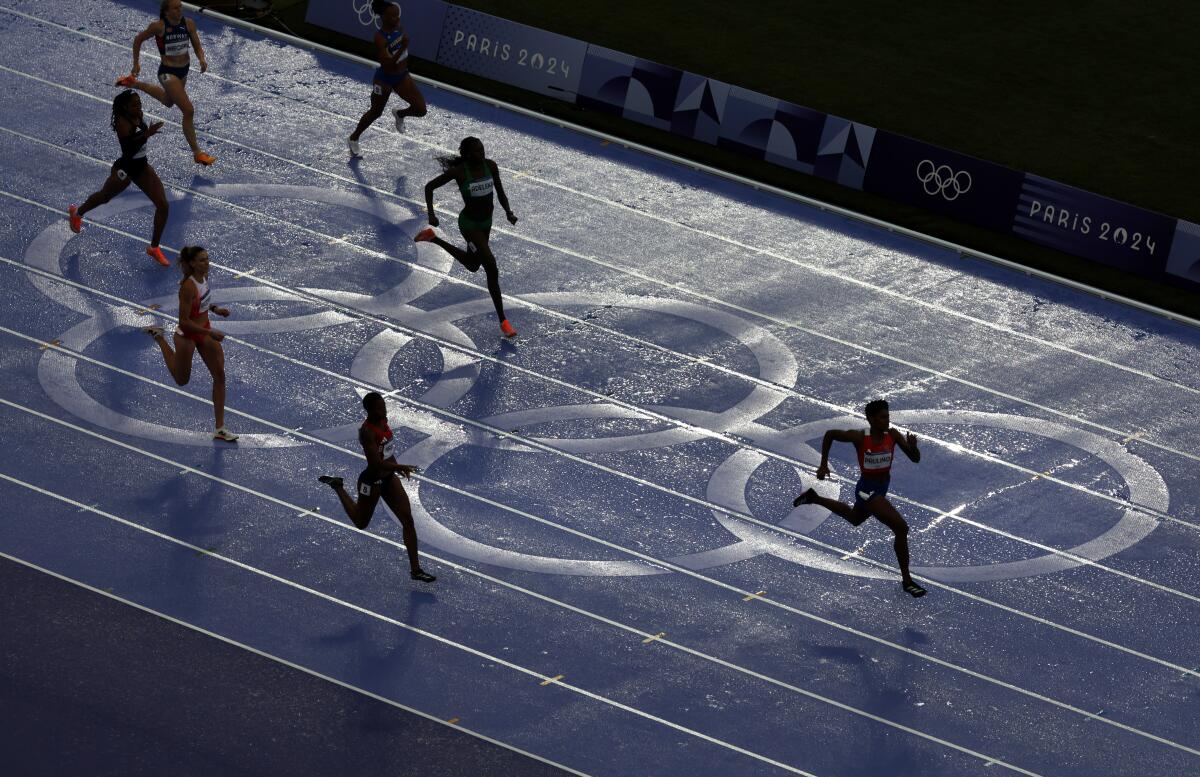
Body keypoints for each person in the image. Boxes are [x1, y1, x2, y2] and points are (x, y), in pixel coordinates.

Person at [793, 400, 926, 597]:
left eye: (888, 416)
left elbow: (915, 459)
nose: (887, 421)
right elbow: (830, 435)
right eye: (882, 417)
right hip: (866, 490)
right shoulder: (860, 438)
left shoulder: (893, 435)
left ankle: (814, 498)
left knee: (855, 518)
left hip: (881, 489)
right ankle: (907, 580)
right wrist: (823, 465)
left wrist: (913, 447)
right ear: (871, 419)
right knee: (901, 527)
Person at [318, 392, 436, 582]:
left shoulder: (384, 421)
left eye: (384, 404)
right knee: (361, 523)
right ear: (371, 410)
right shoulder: (367, 432)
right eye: (380, 406)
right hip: (371, 482)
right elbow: (375, 463)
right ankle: (338, 486)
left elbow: (387, 451)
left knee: (407, 520)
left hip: (388, 479)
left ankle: (416, 570)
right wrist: (400, 467)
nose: (385, 408)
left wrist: (397, 469)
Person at [415, 137, 519, 338]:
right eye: (478, 152)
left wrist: (508, 212)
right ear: (468, 155)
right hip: (469, 225)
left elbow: (500, 192)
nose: (482, 154)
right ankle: (503, 321)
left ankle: (433, 238)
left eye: (483, 150)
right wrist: (431, 214)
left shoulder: (491, 166)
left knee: (473, 265)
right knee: (491, 265)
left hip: (486, 224)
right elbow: (429, 187)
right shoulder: (460, 172)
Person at [143, 246, 238, 441]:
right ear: (193, 263)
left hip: (204, 332)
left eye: (207, 258)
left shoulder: (204, 277)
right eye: (202, 260)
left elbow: (203, 301)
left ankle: (220, 428)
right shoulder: (187, 287)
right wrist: (210, 331)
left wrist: (216, 309)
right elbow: (184, 321)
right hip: (187, 335)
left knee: (219, 376)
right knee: (181, 380)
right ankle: (159, 337)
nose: (207, 263)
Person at [68, 90, 172, 266]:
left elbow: (140, 141)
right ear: (124, 107)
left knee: (163, 205)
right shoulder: (122, 122)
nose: (138, 107)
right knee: (104, 197)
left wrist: (146, 132)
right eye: (134, 105)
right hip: (125, 169)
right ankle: (77, 213)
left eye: (139, 103)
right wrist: (147, 134)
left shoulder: (138, 114)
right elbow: (129, 148)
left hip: (142, 167)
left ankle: (154, 248)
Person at [115, 0, 216, 165]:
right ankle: (197, 153)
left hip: (183, 71)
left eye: (180, 7)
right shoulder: (159, 27)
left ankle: (134, 84)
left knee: (168, 101)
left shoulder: (188, 24)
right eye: (175, 8)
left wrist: (202, 59)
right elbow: (138, 40)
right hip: (168, 73)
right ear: (166, 11)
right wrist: (136, 63)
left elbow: (197, 45)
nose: (179, 10)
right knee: (188, 110)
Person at [346, 0, 427, 156]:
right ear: (383, 17)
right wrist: (402, 47)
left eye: (398, 15)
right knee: (376, 112)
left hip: (402, 76)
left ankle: (400, 114)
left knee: (421, 109)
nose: (397, 18)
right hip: (384, 79)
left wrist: (403, 52)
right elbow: (388, 64)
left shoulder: (399, 28)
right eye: (393, 16)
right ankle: (353, 138)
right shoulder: (379, 38)